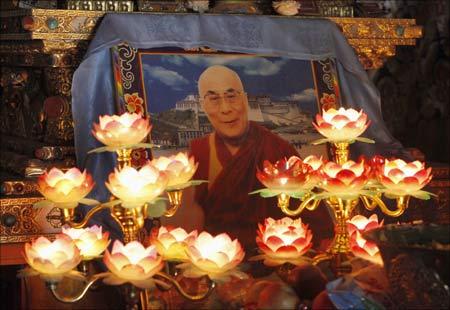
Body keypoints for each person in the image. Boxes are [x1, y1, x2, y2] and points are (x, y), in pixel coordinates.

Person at [166, 65, 333, 249]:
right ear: (203, 106)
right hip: (217, 258)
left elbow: (317, 225)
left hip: (276, 257)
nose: (225, 108)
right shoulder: (200, 152)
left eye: (231, 96)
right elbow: (188, 222)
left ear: (245, 100)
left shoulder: (278, 149)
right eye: (214, 99)